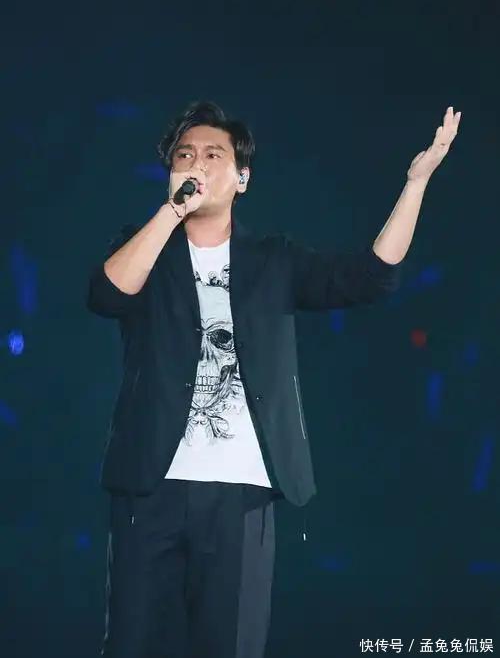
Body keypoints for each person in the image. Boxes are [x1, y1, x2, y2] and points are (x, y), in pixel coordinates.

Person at [86, 101, 461, 658]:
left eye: (213, 155)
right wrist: (171, 212)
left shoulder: (273, 261)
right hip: (151, 487)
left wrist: (416, 184)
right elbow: (107, 295)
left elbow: (371, 277)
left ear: (242, 178)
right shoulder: (147, 250)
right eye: (184, 156)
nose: (197, 164)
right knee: (130, 645)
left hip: (243, 493)